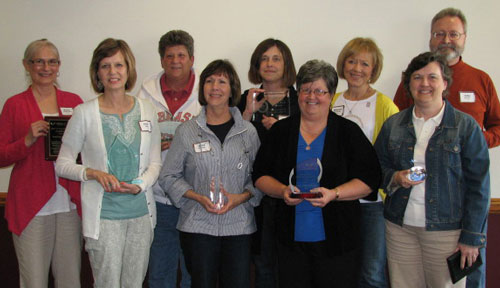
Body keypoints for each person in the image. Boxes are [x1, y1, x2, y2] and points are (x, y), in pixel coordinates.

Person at [392, 9, 499, 287]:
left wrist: (474, 142)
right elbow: (397, 133)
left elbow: (497, 127)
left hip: (463, 200)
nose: (446, 40)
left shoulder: (481, 79)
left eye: (453, 34)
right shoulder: (411, 82)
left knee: (467, 275)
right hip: (413, 209)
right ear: (431, 38)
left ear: (464, 38)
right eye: (439, 33)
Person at [253, 59, 381, 288]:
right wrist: (282, 190)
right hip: (290, 240)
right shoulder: (281, 131)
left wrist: (335, 193)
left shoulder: (348, 132)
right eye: (306, 89)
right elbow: (260, 175)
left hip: (337, 240)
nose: (312, 96)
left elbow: (370, 179)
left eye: (319, 90)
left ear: (331, 94)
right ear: (298, 92)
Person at [374, 52, 490, 288]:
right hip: (400, 229)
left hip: (447, 232)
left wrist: (471, 238)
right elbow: (376, 168)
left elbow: (480, 187)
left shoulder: (465, 127)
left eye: (432, 77)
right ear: (409, 85)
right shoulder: (394, 124)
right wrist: (395, 177)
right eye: (417, 77)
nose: (424, 84)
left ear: (445, 83)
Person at [55, 38, 162, 287]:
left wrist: (139, 184)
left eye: (119, 65)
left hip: (140, 216)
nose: (113, 72)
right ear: (97, 73)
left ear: (128, 69)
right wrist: (92, 173)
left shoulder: (147, 110)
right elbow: (62, 163)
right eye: (105, 66)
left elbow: (155, 163)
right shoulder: (84, 113)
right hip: (104, 218)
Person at [158, 59, 261, 288]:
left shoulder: (248, 132)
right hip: (197, 226)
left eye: (222, 81)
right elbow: (168, 176)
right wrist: (197, 197)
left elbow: (260, 179)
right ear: (202, 88)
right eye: (209, 81)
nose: (215, 86)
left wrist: (240, 198)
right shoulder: (187, 131)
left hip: (239, 226)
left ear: (232, 89)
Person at [0, 39, 83, 288]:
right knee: (34, 281)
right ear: (27, 65)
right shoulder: (15, 105)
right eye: (39, 61)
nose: (46, 67)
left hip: (68, 204)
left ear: (59, 66)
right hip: (31, 205)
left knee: (70, 280)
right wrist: (26, 140)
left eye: (52, 61)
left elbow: (88, 151)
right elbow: (2, 155)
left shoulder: (75, 101)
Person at [330, 37, 398, 288]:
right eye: (351, 61)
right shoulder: (331, 101)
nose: (356, 68)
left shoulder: (385, 105)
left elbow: (395, 152)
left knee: (372, 272)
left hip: (373, 203)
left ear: (373, 69)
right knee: (341, 267)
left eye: (364, 63)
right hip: (336, 200)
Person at [137, 29, 199, 288]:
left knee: (193, 270)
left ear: (191, 59)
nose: (175, 61)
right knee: (160, 269)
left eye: (181, 55)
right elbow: (135, 137)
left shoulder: (207, 90)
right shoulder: (144, 94)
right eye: (170, 55)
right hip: (158, 194)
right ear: (162, 60)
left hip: (194, 195)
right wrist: (153, 142)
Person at [237, 38, 298, 288]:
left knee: (292, 261)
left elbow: (312, 138)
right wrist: (248, 112)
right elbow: (232, 142)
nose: (269, 64)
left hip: (293, 190)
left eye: (276, 58)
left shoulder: (300, 99)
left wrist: (283, 130)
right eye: (264, 58)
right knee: (262, 262)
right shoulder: (246, 98)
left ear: (287, 64)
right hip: (255, 191)